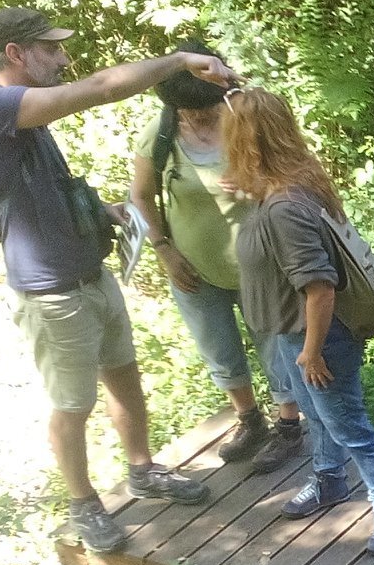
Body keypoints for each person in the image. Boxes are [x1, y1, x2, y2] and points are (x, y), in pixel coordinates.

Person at [0, 7, 230, 552]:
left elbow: (39, 195)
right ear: (16, 53)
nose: (63, 58)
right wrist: (178, 60)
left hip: (88, 274)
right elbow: (104, 88)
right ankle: (84, 505)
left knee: (124, 376)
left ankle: (143, 470)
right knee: (72, 403)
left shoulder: (26, 122)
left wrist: (105, 210)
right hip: (49, 291)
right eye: (51, 49)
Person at [222, 88, 374, 556]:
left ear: (245, 141)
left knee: (347, 423)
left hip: (317, 338)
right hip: (292, 333)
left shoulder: (284, 206)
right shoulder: (290, 184)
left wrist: (311, 351)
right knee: (319, 417)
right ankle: (328, 480)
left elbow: (320, 287)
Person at [128, 38, 304, 474]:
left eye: (204, 105)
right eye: (187, 107)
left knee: (276, 344)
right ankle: (249, 421)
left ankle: (289, 426)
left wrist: (255, 186)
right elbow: (141, 196)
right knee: (217, 346)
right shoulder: (160, 132)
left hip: (263, 264)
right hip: (193, 266)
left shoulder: (249, 120)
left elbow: (299, 178)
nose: (197, 115)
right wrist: (163, 250)